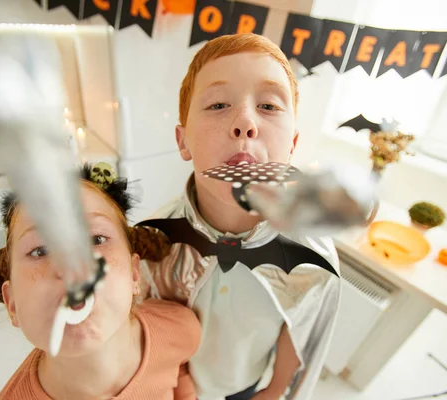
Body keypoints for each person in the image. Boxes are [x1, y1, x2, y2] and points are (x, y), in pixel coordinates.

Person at [137, 33, 341, 400]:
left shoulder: (312, 254)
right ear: (183, 141)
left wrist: (277, 389)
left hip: (250, 386)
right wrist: (181, 386)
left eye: (268, 106)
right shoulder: (154, 241)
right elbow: (152, 326)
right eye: (217, 105)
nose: (245, 123)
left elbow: (301, 329)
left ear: (292, 144)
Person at [0, 164, 201, 400]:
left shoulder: (179, 329)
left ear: (134, 274)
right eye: (40, 250)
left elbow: (180, 371)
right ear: (12, 304)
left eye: (96, 239)